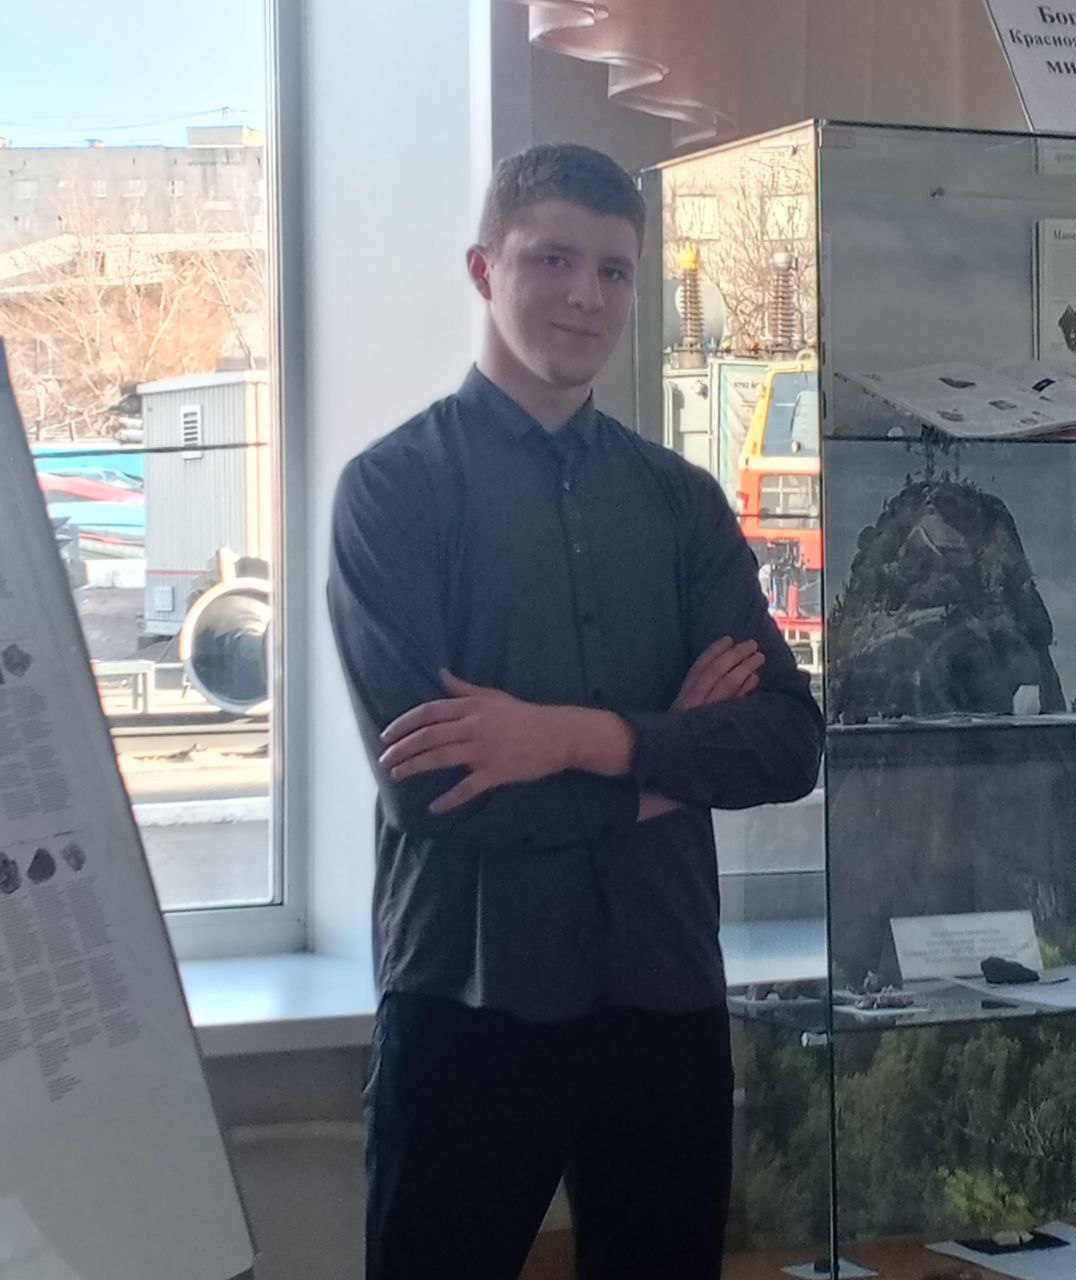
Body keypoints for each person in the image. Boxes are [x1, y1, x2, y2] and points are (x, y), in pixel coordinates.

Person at [327, 142, 824, 1280]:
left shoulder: (681, 501)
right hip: (467, 998)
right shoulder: (392, 491)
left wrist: (565, 738)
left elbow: (784, 743)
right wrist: (667, 762)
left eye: (612, 269)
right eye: (551, 259)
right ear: (482, 268)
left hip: (665, 997)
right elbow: (435, 794)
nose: (584, 296)